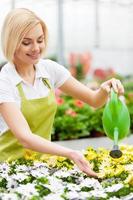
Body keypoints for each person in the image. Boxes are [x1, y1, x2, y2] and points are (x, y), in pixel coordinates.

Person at [0, 8, 124, 177]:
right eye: (26, 42)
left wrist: (105, 89)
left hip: (44, 167)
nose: (36, 48)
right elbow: (25, 138)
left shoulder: (49, 69)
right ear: (11, 42)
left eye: (40, 40)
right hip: (10, 169)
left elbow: (94, 100)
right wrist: (70, 153)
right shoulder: (5, 81)